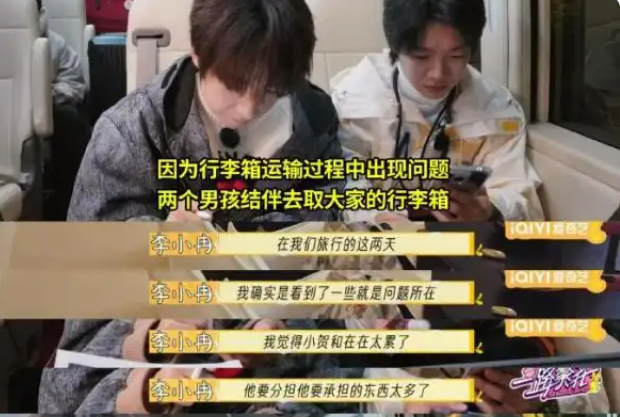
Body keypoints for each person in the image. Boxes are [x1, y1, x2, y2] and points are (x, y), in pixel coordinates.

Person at [67, 0, 344, 224]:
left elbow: (326, 213)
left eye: (272, 89)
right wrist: (158, 235)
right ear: (197, 53)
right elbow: (90, 244)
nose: (248, 110)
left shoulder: (316, 122)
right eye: (234, 85)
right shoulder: (128, 131)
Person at [333, 0, 544, 223]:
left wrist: (491, 211)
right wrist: (382, 217)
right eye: (421, 56)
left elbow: (519, 194)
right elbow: (343, 189)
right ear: (396, 48)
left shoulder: (497, 111)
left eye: (456, 56)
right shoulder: (351, 106)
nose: (438, 73)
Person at [37, 0, 92, 221]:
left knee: (68, 119)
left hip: (53, 109)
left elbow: (74, 85)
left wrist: (45, 97)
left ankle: (71, 203)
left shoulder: (55, 44)